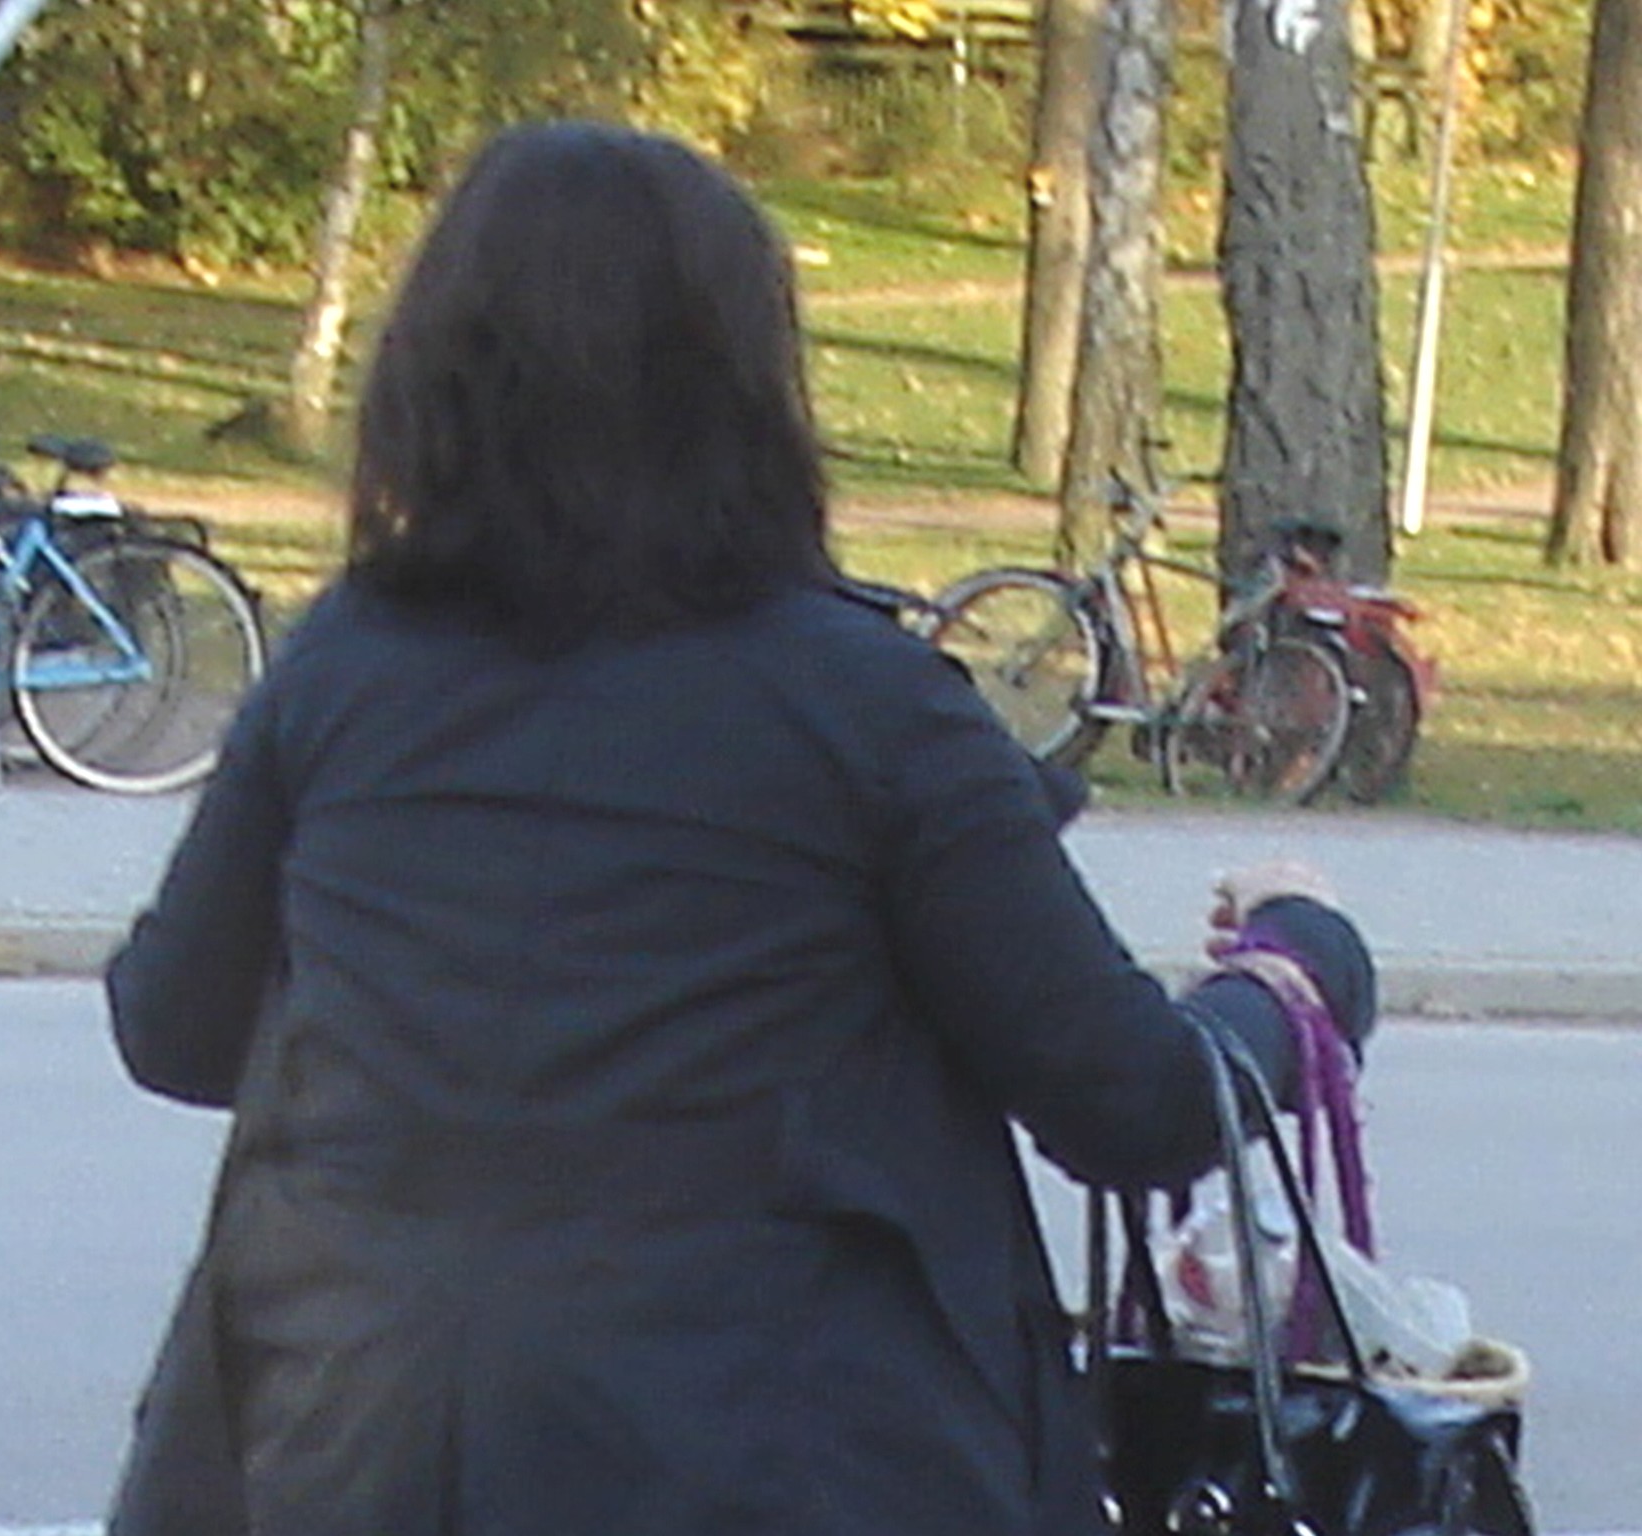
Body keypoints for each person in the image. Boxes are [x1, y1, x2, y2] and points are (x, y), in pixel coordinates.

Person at [103, 119, 1376, 1536]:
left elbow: (173, 1028)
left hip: (347, 1451)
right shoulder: (866, 707)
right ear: (745, 387)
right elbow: (1131, 1100)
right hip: (767, 1466)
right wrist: (1295, 968)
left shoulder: (344, 667)